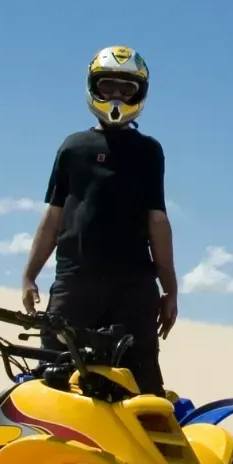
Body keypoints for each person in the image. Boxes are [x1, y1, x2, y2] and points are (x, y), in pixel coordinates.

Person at [20, 45, 179, 396]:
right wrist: (29, 274)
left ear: (140, 93)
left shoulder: (149, 151)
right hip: (76, 280)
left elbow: (158, 222)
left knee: (141, 383)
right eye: (108, 87)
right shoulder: (73, 147)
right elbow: (53, 216)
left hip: (134, 286)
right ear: (94, 88)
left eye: (127, 89)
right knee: (53, 377)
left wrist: (169, 289)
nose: (118, 96)